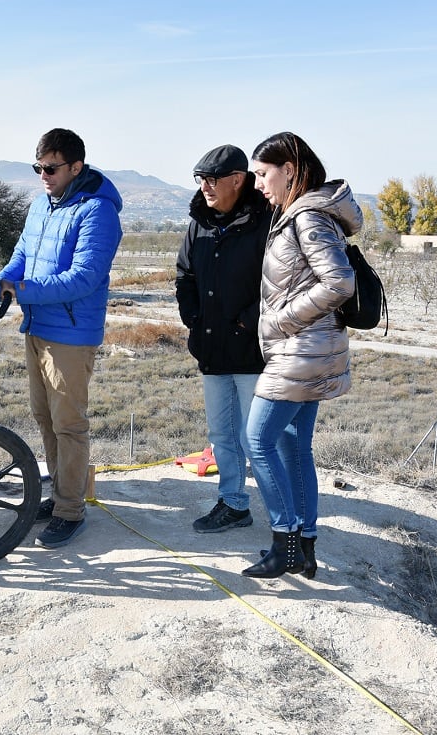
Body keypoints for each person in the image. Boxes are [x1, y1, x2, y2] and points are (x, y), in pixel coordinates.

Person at [0, 128, 123, 549]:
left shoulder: (98, 212)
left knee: (69, 424)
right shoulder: (41, 205)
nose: (43, 176)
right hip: (36, 327)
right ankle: (60, 495)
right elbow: (22, 256)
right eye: (38, 168)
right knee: (45, 419)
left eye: (51, 168)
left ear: (76, 167)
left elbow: (85, 278)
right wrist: (1, 282)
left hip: (70, 334)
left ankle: (70, 510)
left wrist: (24, 290)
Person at [241, 132, 359, 579]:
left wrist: (280, 322)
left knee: (257, 440)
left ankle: (284, 542)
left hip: (300, 349)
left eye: (263, 173)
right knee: (292, 446)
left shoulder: (307, 217)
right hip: (310, 350)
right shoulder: (302, 214)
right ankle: (304, 547)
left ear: (289, 169)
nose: (258, 183)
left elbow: (339, 282)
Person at [174, 144, 270, 534]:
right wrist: (194, 319)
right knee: (222, 435)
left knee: (260, 439)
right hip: (212, 349)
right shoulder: (199, 221)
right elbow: (185, 275)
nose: (206, 187)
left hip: (252, 352)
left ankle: (286, 521)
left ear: (238, 179)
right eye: (201, 179)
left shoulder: (266, 220)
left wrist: (247, 325)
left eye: (213, 179)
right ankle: (233, 504)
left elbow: (274, 285)